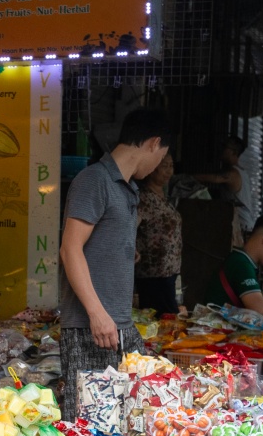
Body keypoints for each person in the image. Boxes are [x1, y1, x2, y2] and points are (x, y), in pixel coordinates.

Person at [58, 108, 172, 419]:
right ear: (153, 143)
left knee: (132, 421)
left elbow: (96, 245)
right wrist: (96, 313)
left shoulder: (127, 188)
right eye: (162, 156)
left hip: (118, 325)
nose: (159, 165)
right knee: (89, 429)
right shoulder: (94, 180)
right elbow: (70, 249)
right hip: (91, 328)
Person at [134, 151, 182, 315]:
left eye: (171, 166)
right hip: (153, 273)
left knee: (166, 318)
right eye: (164, 166)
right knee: (165, 316)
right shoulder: (143, 198)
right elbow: (129, 227)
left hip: (169, 271)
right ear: (152, 168)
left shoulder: (163, 197)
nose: (169, 171)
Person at [194, 135, 255, 237]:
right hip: (242, 225)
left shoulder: (233, 174)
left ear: (234, 152)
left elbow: (213, 178)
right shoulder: (240, 172)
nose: (220, 149)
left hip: (241, 226)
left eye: (224, 146)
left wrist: (187, 176)